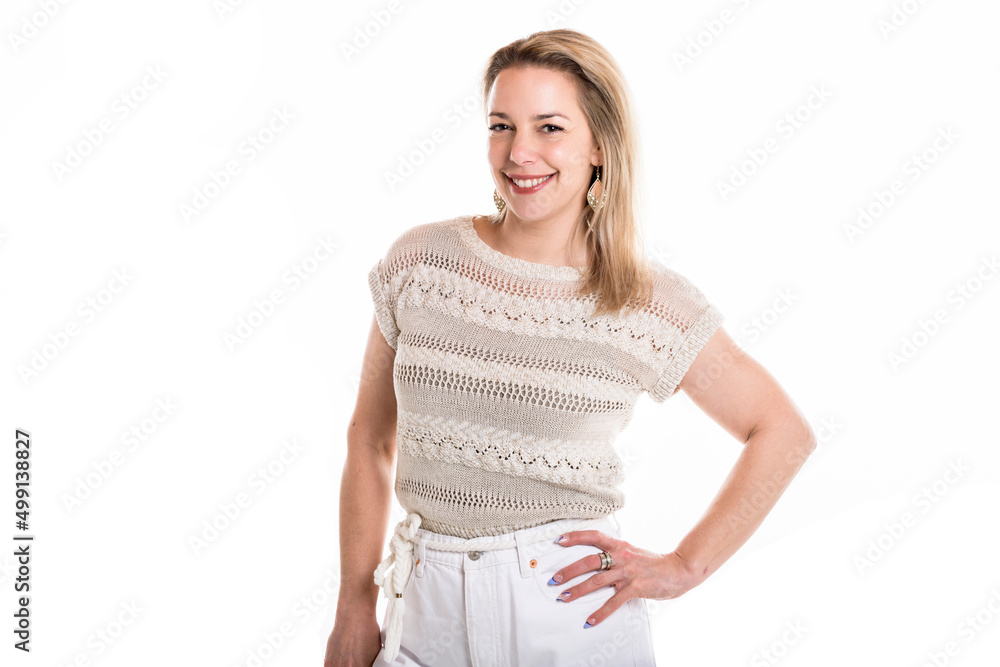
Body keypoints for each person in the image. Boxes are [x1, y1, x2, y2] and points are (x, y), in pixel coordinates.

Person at [324, 28, 816, 667]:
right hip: (424, 607)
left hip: (565, 607)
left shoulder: (644, 300)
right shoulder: (421, 262)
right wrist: (353, 605)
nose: (519, 152)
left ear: (600, 147)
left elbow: (782, 431)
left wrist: (686, 567)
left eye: (549, 127)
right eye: (502, 125)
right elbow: (369, 438)